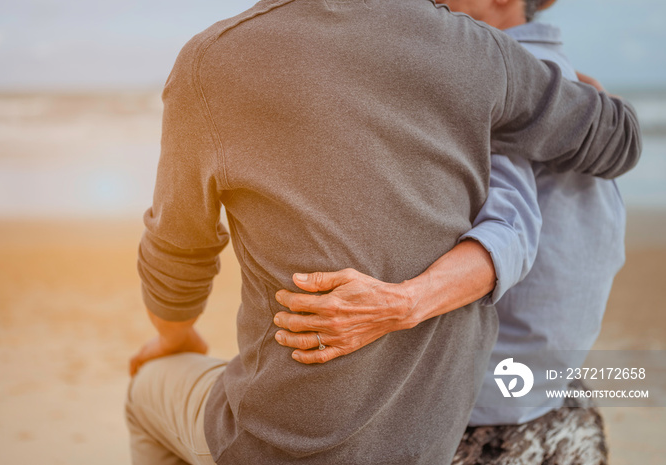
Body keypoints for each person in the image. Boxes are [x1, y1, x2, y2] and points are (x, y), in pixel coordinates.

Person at [124, 1, 641, 464]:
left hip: (276, 441)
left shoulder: (212, 59)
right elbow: (617, 141)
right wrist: (578, 96)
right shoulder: (474, 52)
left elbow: (178, 251)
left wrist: (174, 334)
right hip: (429, 439)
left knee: (144, 393)